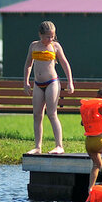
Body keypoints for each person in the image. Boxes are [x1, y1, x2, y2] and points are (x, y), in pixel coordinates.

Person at [22, 20, 74, 154]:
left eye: (52, 36)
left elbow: (65, 64)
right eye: (47, 37)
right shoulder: (33, 46)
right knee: (37, 115)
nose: (50, 39)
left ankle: (59, 145)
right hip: (38, 84)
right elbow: (28, 64)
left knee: (51, 113)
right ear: (40, 34)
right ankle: (38, 147)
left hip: (52, 82)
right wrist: (26, 82)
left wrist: (70, 82)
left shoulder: (55, 46)